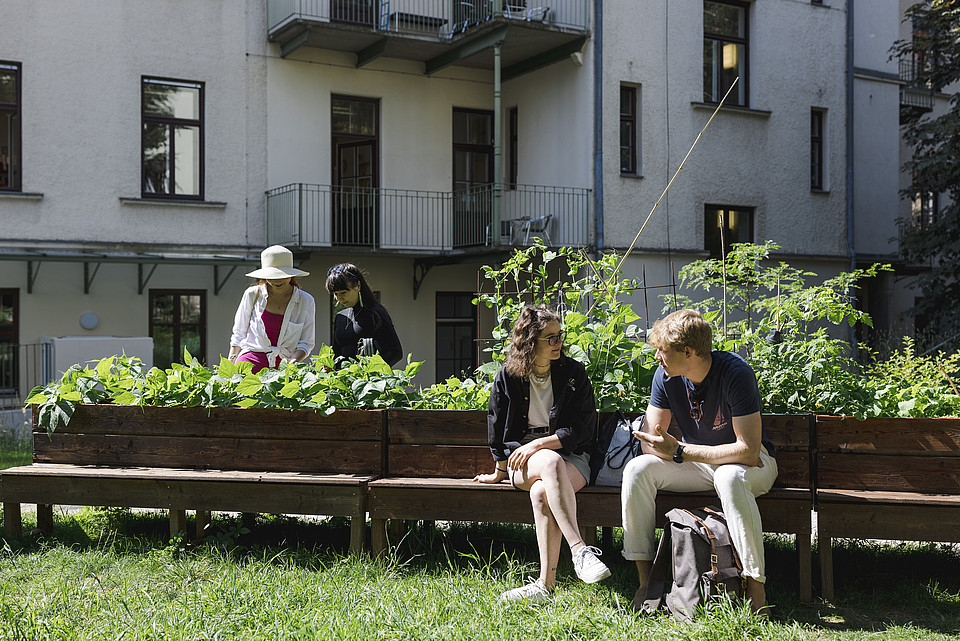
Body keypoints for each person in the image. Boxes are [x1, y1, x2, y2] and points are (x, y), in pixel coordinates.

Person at [621, 308, 778, 614]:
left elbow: (747, 450)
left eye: (662, 351)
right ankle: (647, 583)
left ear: (688, 351)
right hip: (701, 462)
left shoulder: (735, 373)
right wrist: (672, 450)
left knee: (729, 477)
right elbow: (653, 444)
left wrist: (682, 451)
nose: (657, 358)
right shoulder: (665, 377)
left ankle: (756, 589)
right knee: (637, 470)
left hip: (751, 465)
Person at [475, 304, 611, 603]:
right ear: (529, 340)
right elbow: (496, 426)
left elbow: (583, 430)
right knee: (548, 463)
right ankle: (580, 551)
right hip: (522, 458)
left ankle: (544, 586)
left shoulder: (574, 372)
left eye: (560, 335)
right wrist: (500, 470)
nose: (558, 342)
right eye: (550, 338)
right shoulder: (509, 375)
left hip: (571, 455)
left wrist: (539, 443)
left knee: (541, 493)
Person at [229, 245, 316, 372]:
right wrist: (229, 368)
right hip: (249, 362)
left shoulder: (306, 300)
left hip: (285, 366)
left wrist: (291, 365)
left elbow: (306, 343)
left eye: (283, 275)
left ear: (291, 275)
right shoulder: (252, 295)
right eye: (272, 276)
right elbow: (238, 334)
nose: (277, 280)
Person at [325, 263, 403, 367]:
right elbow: (336, 353)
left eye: (343, 292)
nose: (339, 298)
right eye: (335, 293)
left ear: (358, 285)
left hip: (369, 381)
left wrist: (370, 372)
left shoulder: (376, 313)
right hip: (343, 380)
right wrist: (329, 366)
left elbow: (395, 352)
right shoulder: (340, 317)